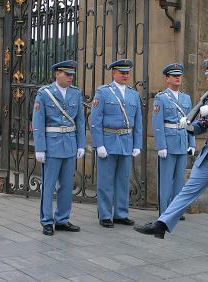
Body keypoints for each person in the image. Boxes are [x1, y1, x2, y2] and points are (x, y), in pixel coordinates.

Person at [134, 59, 208, 257]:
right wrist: (189, 126)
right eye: (207, 76)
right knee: (187, 191)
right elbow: (203, 125)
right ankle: (162, 224)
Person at [32, 60, 85, 236]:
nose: (71, 77)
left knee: (66, 185)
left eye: (72, 74)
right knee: (49, 185)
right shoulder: (45, 93)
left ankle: (62, 219)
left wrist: (81, 144)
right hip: (52, 145)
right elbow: (38, 121)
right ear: (57, 74)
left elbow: (80, 121)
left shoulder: (76, 93)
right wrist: (40, 148)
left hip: (69, 144)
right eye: (67, 74)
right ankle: (47, 220)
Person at [90, 59, 143, 228]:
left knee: (123, 180)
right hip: (109, 141)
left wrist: (137, 144)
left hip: (126, 142)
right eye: (122, 72)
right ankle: (105, 214)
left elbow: (138, 122)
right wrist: (99, 145)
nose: (125, 75)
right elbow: (95, 121)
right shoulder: (103, 93)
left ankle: (121, 213)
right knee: (105, 181)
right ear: (114, 73)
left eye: (127, 72)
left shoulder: (134, 94)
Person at [152, 63, 195, 219]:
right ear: (167, 78)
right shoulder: (161, 98)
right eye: (174, 76)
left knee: (179, 180)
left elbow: (190, 121)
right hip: (168, 143)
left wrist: (192, 142)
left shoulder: (186, 98)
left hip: (182, 141)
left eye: (179, 75)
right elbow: (157, 124)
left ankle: (176, 210)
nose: (178, 78)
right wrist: (161, 145)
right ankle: (164, 211)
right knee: (165, 180)